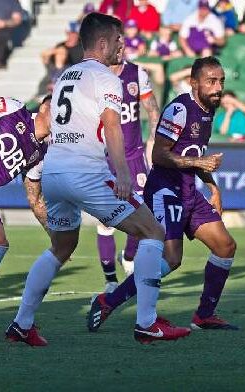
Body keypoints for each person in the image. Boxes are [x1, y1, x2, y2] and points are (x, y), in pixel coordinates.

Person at [5, 12, 190, 347]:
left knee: (61, 247)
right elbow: (112, 125)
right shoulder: (107, 77)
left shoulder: (66, 75)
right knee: (153, 232)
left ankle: (21, 323)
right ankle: (147, 323)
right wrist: (122, 173)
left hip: (55, 172)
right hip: (86, 171)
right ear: (103, 43)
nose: (123, 45)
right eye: (119, 40)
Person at [87, 56, 239, 332]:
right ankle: (109, 300)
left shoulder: (208, 109)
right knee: (171, 259)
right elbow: (160, 155)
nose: (218, 87)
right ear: (194, 83)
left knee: (225, 246)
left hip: (189, 189)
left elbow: (194, 154)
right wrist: (198, 165)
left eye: (221, 81)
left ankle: (204, 315)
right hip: (166, 189)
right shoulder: (180, 109)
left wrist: (213, 187)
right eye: (211, 81)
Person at [96, 45, 161, 292]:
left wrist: (154, 141)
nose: (120, 49)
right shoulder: (95, 78)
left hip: (134, 156)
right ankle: (110, 280)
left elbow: (152, 110)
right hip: (104, 157)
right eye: (116, 43)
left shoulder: (137, 74)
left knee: (142, 212)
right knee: (106, 221)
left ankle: (130, 256)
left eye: (123, 44)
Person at [0, 96, 51, 279]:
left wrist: (57, 239)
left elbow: (35, 200)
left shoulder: (40, 155)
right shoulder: (14, 110)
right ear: (43, 107)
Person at [0, 0, 23, 69]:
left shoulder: (13, 2)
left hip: (4, 28)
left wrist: (2, 23)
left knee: (3, 36)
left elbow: (16, 20)